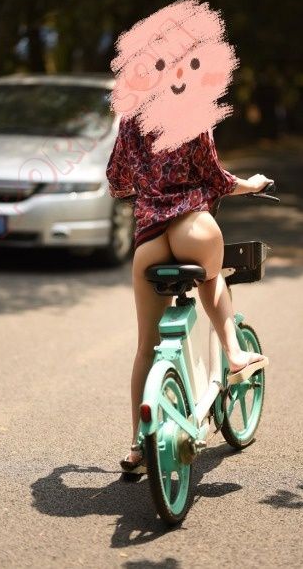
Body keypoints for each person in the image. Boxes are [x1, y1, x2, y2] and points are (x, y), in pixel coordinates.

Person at [106, 114, 273, 472]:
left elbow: (117, 182)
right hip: (192, 228)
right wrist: (253, 184)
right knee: (211, 278)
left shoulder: (131, 119)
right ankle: (234, 354)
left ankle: (138, 447)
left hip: (149, 240)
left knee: (146, 345)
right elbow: (216, 178)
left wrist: (147, 191)